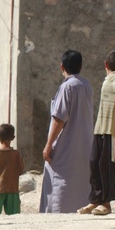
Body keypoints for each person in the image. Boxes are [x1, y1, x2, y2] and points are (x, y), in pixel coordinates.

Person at [80, 51, 115, 216]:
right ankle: (95, 199)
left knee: (107, 166)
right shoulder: (109, 79)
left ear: (106, 64)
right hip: (101, 129)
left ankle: (106, 202)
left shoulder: (114, 78)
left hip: (112, 130)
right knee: (95, 162)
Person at [39, 49, 94, 213]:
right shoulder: (86, 86)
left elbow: (59, 118)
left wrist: (48, 144)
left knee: (60, 183)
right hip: (83, 145)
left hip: (65, 145)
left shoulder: (67, 87)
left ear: (62, 66)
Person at [0, 123, 24, 215]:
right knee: (14, 217)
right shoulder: (16, 154)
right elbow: (21, 170)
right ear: (13, 138)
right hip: (13, 190)